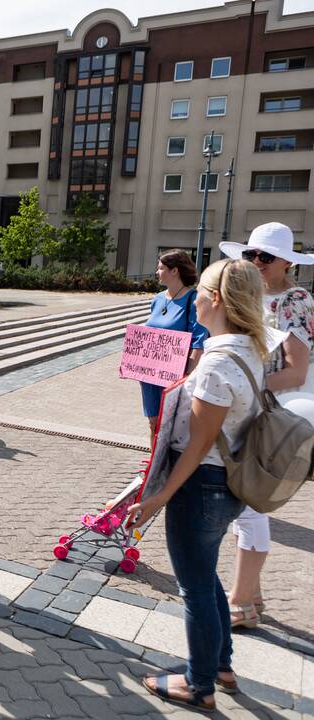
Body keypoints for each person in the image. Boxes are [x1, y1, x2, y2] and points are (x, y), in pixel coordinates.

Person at [127, 258, 267, 712]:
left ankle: (199, 683)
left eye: (203, 289)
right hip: (223, 484)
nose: (197, 297)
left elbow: (198, 444)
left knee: (195, 590)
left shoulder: (218, 362)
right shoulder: (246, 350)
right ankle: (221, 666)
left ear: (216, 299)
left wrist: (159, 497)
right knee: (206, 580)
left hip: (201, 486)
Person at [218, 222, 314, 630]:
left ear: (286, 263)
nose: (256, 262)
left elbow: (295, 372)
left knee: (250, 500)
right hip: (246, 407)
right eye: (250, 255)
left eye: (265, 257)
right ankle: (251, 594)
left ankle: (240, 602)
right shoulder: (248, 297)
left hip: (267, 412)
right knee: (244, 499)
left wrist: (247, 387)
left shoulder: (294, 300)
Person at [141, 250, 208, 439]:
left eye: (161, 268)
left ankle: (168, 467)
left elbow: (198, 342)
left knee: (171, 425)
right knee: (153, 422)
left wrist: (186, 377)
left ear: (175, 271)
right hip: (150, 374)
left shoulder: (193, 300)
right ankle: (154, 466)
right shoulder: (158, 299)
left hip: (176, 376)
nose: (157, 272)